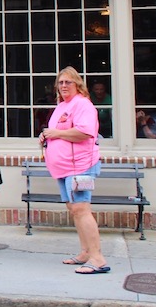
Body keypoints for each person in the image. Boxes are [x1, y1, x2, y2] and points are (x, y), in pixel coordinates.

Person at [39, 67, 109, 275]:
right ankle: (85, 252)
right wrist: (46, 137)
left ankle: (98, 258)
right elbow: (57, 132)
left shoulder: (83, 105)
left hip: (81, 165)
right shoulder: (62, 106)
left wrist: (55, 132)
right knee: (74, 209)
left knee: (81, 209)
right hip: (63, 167)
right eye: (60, 83)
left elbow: (84, 132)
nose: (63, 86)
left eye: (68, 82)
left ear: (77, 84)